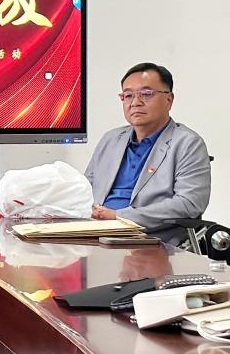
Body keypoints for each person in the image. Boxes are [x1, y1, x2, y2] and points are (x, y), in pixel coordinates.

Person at [84, 62, 211, 244]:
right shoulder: (111, 139)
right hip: (94, 233)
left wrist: (120, 217)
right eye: (128, 95)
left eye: (146, 94)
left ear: (169, 99)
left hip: (150, 240)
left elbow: (189, 203)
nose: (135, 103)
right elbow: (84, 189)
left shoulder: (187, 143)